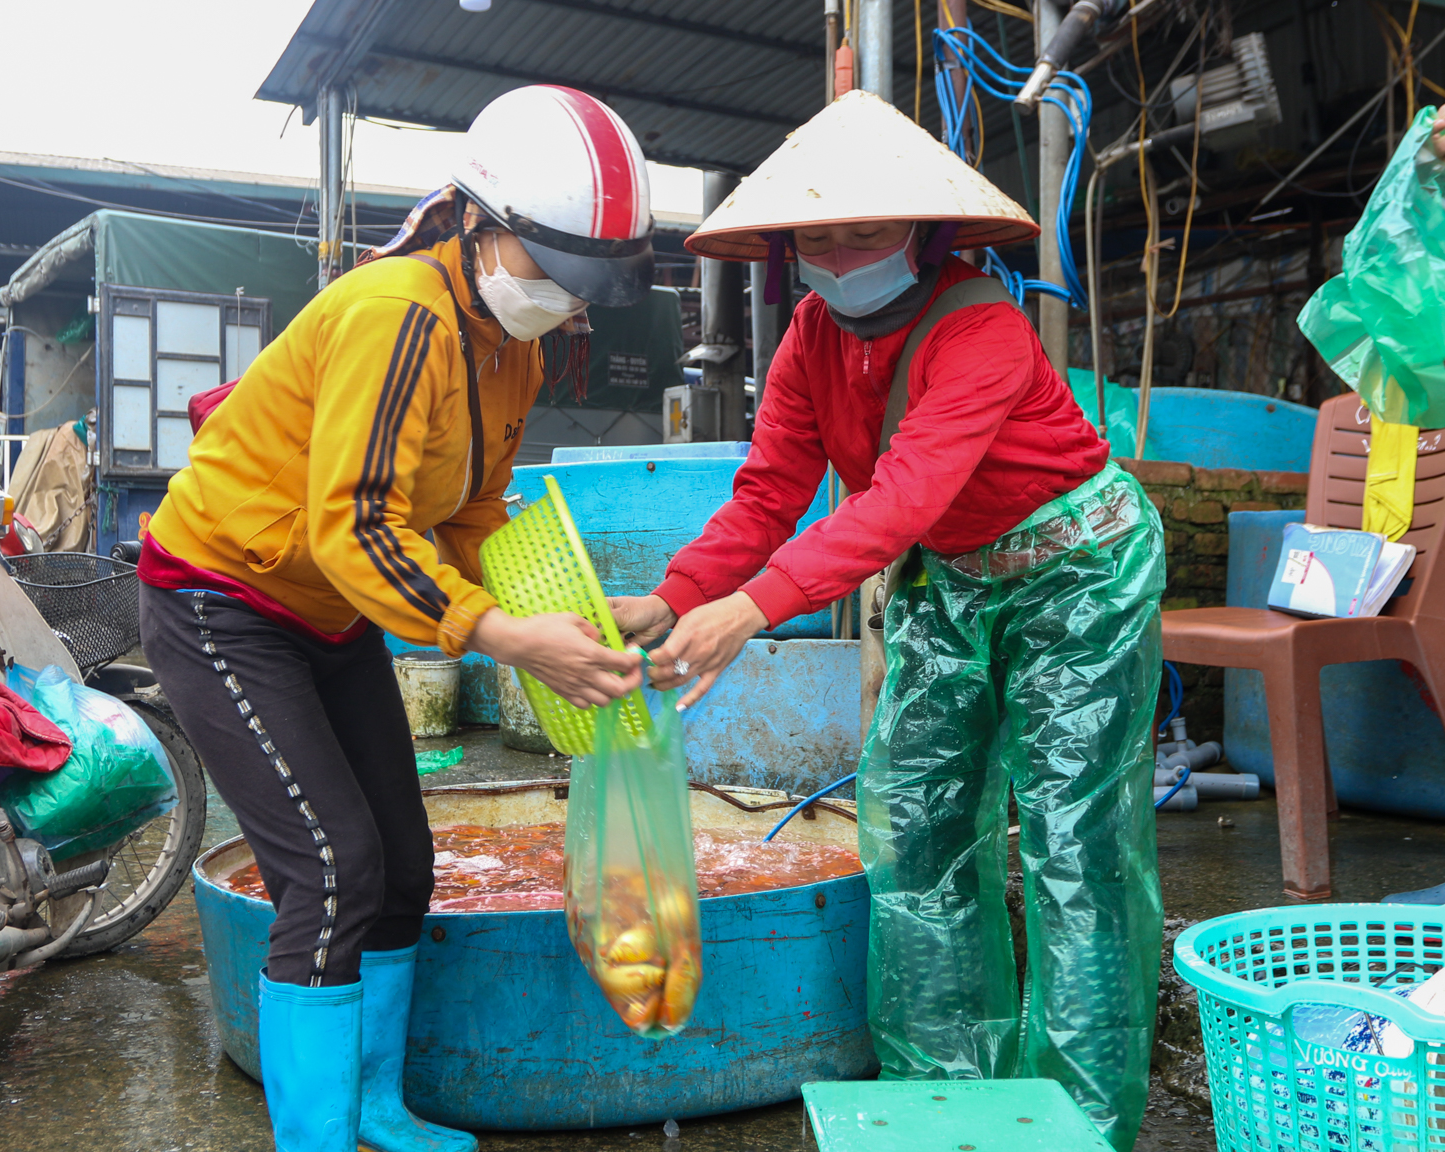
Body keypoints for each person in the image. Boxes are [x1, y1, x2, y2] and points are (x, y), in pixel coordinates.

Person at [610, 91, 1165, 1152]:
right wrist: (675, 597)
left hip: (1078, 577)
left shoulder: (983, 329)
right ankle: (943, 1098)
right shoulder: (812, 340)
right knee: (912, 830)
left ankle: (1084, 1119)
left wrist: (753, 609)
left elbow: (899, 499)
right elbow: (770, 492)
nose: (838, 249)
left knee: (1073, 846)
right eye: (816, 232)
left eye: (865, 228)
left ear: (924, 231)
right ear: (786, 250)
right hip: (954, 580)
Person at [138, 86, 651, 1152]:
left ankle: (375, 1106)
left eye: (583, 284)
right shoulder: (397, 312)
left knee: (402, 867)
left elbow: (467, 515)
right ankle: (316, 1137)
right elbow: (355, 529)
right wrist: (504, 638)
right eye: (550, 268)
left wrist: (564, 618)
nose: (565, 298)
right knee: (329, 872)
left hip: (328, 614)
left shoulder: (514, 346)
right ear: (480, 222)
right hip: (221, 599)